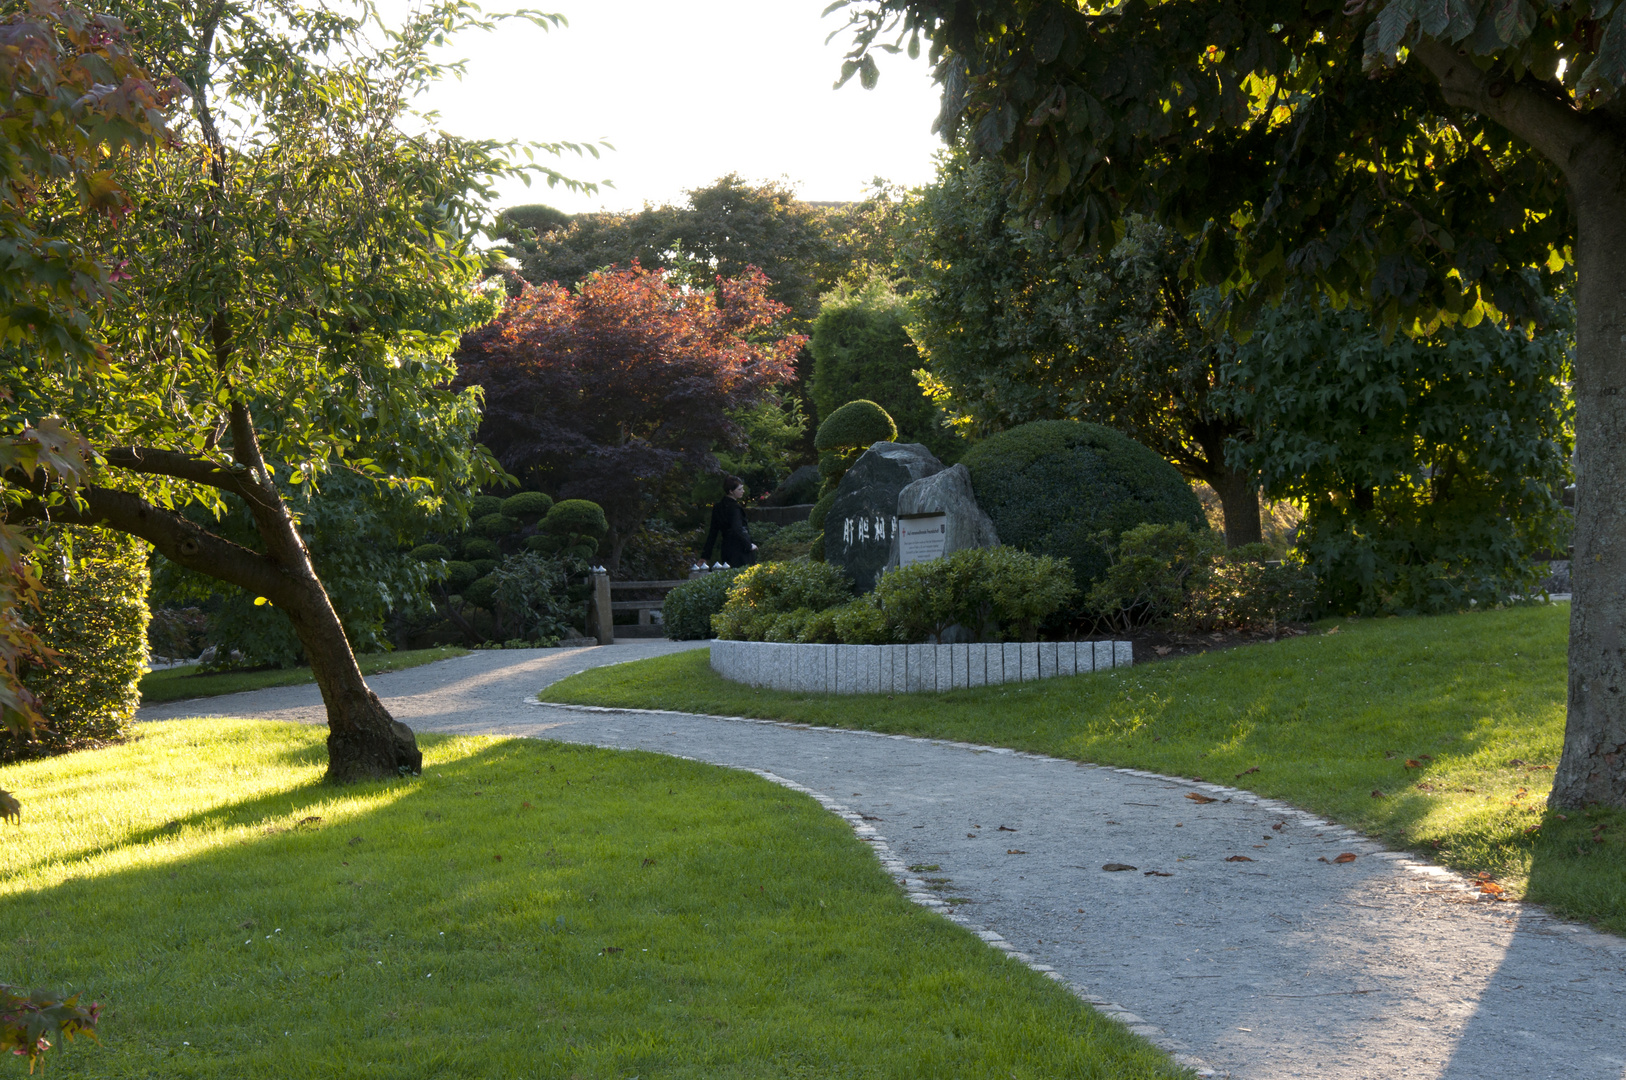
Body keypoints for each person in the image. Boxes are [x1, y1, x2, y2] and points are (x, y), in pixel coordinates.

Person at [702, 475, 757, 567]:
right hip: (740, 550)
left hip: (727, 549)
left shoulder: (718, 507)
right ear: (731, 491)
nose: (743, 491)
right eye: (739, 489)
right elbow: (737, 529)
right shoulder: (734, 508)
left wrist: (705, 555)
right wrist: (749, 546)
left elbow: (713, 533)